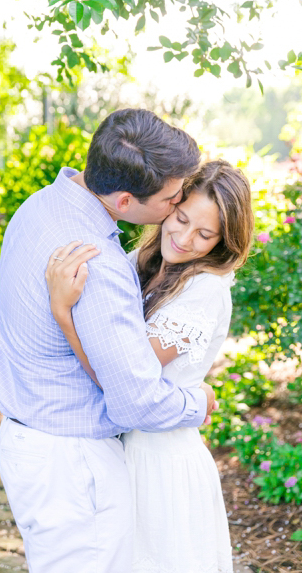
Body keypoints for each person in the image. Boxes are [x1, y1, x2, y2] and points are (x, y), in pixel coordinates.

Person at [0, 108, 216, 573]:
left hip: (30, 443)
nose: (177, 209)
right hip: (72, 465)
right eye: (173, 198)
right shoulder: (98, 263)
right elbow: (135, 401)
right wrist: (198, 402)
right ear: (125, 200)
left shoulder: (40, 206)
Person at [45, 159, 254, 573]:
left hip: (162, 465)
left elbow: (120, 372)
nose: (184, 237)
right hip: (122, 449)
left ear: (224, 242)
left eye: (205, 234)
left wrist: (62, 313)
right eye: (180, 218)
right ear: (169, 206)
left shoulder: (205, 288)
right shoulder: (143, 259)